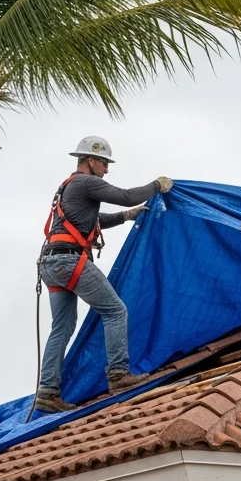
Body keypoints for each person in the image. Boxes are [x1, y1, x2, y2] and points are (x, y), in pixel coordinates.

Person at [35, 136, 174, 413]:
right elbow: (125, 195)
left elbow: (91, 221)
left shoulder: (68, 187)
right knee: (115, 311)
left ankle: (48, 392)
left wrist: (126, 216)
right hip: (69, 260)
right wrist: (156, 186)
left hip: (50, 265)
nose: (107, 170)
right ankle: (119, 375)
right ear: (91, 160)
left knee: (61, 328)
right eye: (104, 163)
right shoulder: (87, 182)